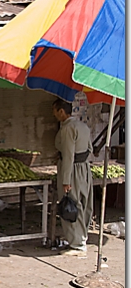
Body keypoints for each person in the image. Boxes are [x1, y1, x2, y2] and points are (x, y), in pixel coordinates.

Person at [52, 98, 93, 257]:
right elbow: (89, 148)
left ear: (61, 111)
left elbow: (68, 155)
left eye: (55, 111)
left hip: (72, 169)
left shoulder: (68, 128)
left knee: (71, 205)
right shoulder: (83, 126)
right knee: (83, 203)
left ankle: (77, 244)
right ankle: (82, 237)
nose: (54, 115)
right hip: (84, 168)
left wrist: (66, 180)